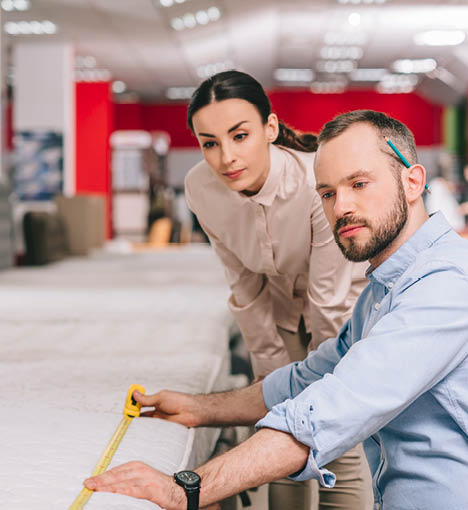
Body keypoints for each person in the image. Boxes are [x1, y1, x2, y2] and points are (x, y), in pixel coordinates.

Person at [85, 110, 468, 510]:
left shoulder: (446, 286)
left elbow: (328, 410)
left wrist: (187, 487)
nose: (342, 207)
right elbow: (306, 379)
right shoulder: (385, 291)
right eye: (326, 193)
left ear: (412, 181)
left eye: (359, 184)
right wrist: (201, 409)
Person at [135, 70, 371, 509]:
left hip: (343, 310)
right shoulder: (200, 189)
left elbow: (328, 297)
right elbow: (243, 284)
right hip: (280, 308)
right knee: (278, 430)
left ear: (270, 128)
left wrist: (325, 380)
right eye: (210, 143)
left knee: (336, 435)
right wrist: (270, 374)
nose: (226, 157)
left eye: (239, 135)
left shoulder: (313, 180)